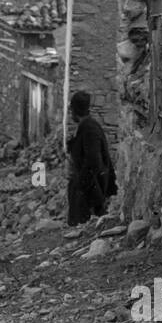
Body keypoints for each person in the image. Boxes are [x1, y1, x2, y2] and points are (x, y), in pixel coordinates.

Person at [66, 90, 117, 226]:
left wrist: (82, 186)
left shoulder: (90, 129)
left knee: (82, 227)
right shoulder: (85, 127)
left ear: (74, 110)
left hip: (90, 192)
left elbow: (93, 162)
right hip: (87, 188)